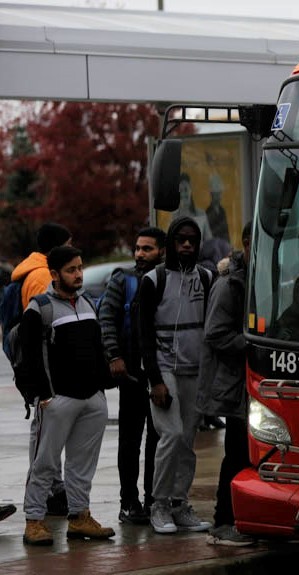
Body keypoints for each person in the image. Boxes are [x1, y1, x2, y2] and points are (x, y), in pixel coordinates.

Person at [20, 245, 115, 545]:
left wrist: (102, 388)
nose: (78, 275)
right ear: (54, 274)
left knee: (82, 464)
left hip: (92, 400)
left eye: (80, 268)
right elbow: (29, 357)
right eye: (71, 270)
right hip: (57, 400)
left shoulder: (87, 303)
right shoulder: (39, 308)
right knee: (45, 463)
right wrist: (43, 395)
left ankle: (79, 517)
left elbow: (98, 348)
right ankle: (34, 521)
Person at [139, 217, 212, 535]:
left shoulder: (207, 278)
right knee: (170, 435)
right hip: (164, 370)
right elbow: (143, 334)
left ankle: (180, 504)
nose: (186, 245)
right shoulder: (154, 280)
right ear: (170, 243)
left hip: (194, 370)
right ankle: (159, 504)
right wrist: (154, 379)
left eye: (192, 240)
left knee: (187, 440)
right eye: (180, 239)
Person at [98, 227, 166, 525]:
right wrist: (114, 356)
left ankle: (155, 500)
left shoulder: (166, 280)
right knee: (130, 441)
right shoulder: (122, 280)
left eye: (147, 249)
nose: (140, 254)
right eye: (138, 248)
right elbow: (106, 319)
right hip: (131, 375)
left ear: (161, 251)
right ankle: (129, 502)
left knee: (158, 439)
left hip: (162, 374)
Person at [197, 221, 255, 546]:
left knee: (249, 454)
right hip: (236, 387)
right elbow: (215, 333)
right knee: (235, 453)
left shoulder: (256, 276)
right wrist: (254, 344)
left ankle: (243, 518)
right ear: (247, 241)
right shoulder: (229, 283)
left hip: (251, 383)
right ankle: (223, 522)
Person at [11, 222, 73, 518]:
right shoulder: (40, 277)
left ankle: (53, 489)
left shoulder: (34, 271)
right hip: (46, 366)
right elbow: (42, 324)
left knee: (50, 427)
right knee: (45, 428)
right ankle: (43, 493)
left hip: (46, 365)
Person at [174, 173, 213, 242]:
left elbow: (209, 241)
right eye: (180, 191)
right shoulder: (175, 217)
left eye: (186, 190)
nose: (183, 194)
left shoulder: (201, 214)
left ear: (190, 189)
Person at [205, 172, 230, 242]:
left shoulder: (222, 211)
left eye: (220, 193)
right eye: (217, 194)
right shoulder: (208, 212)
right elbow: (208, 234)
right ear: (212, 194)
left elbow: (226, 232)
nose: (220, 197)